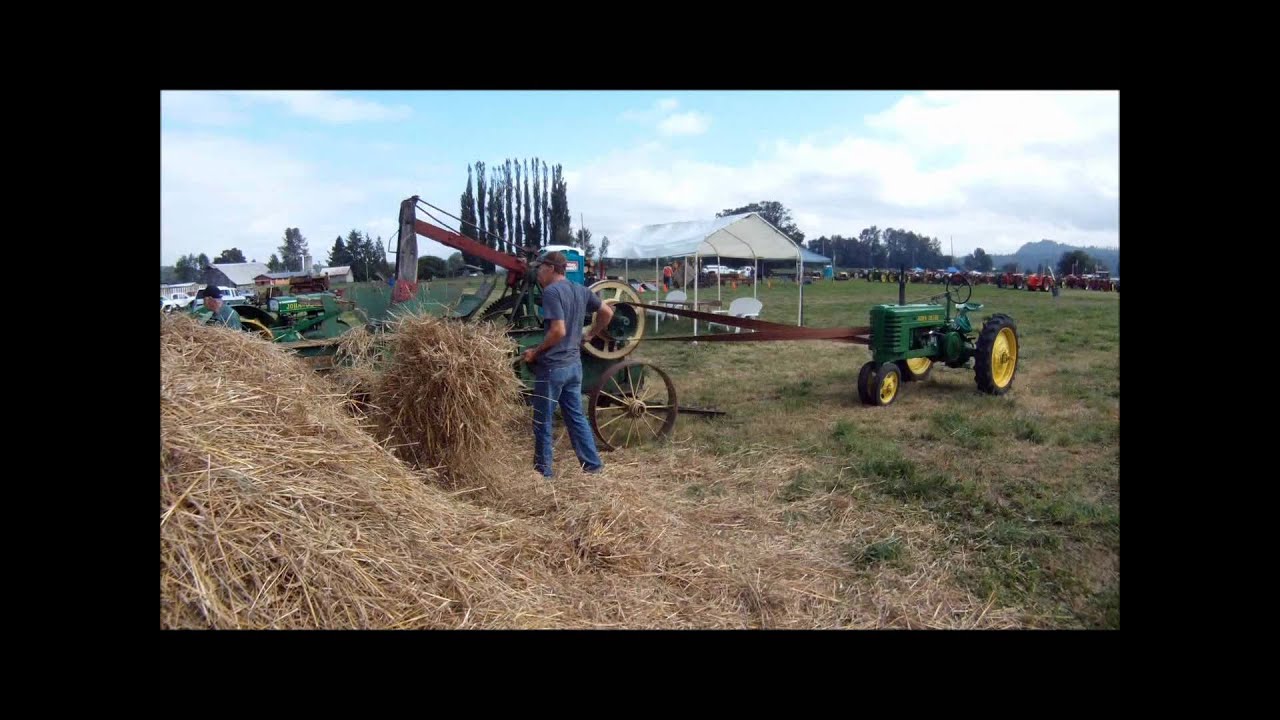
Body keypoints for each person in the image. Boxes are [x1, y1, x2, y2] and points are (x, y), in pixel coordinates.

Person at [520, 251, 612, 478]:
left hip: (553, 367)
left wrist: (535, 352)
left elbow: (558, 331)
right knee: (576, 417)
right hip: (574, 366)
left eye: (540, 268)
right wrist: (591, 334)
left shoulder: (551, 292)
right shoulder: (580, 290)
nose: (538, 273)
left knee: (543, 420)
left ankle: (544, 474)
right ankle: (593, 466)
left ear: (551, 268)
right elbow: (607, 312)